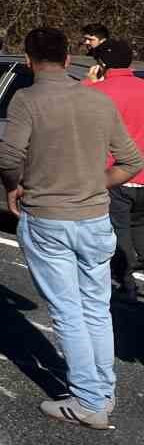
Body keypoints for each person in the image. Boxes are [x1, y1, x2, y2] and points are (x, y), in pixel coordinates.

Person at [0, 27, 143, 429]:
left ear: (29, 61)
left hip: (49, 218)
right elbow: (131, 161)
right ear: (68, 59)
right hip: (95, 218)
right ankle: (105, 391)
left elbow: (9, 155)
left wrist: (13, 187)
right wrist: (97, 182)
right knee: (97, 308)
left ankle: (87, 402)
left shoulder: (27, 99)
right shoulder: (96, 100)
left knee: (68, 312)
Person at [85, 38, 144, 304]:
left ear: (101, 64)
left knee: (118, 234)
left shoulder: (98, 93)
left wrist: (89, 82)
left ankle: (126, 285)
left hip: (115, 175)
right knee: (140, 229)